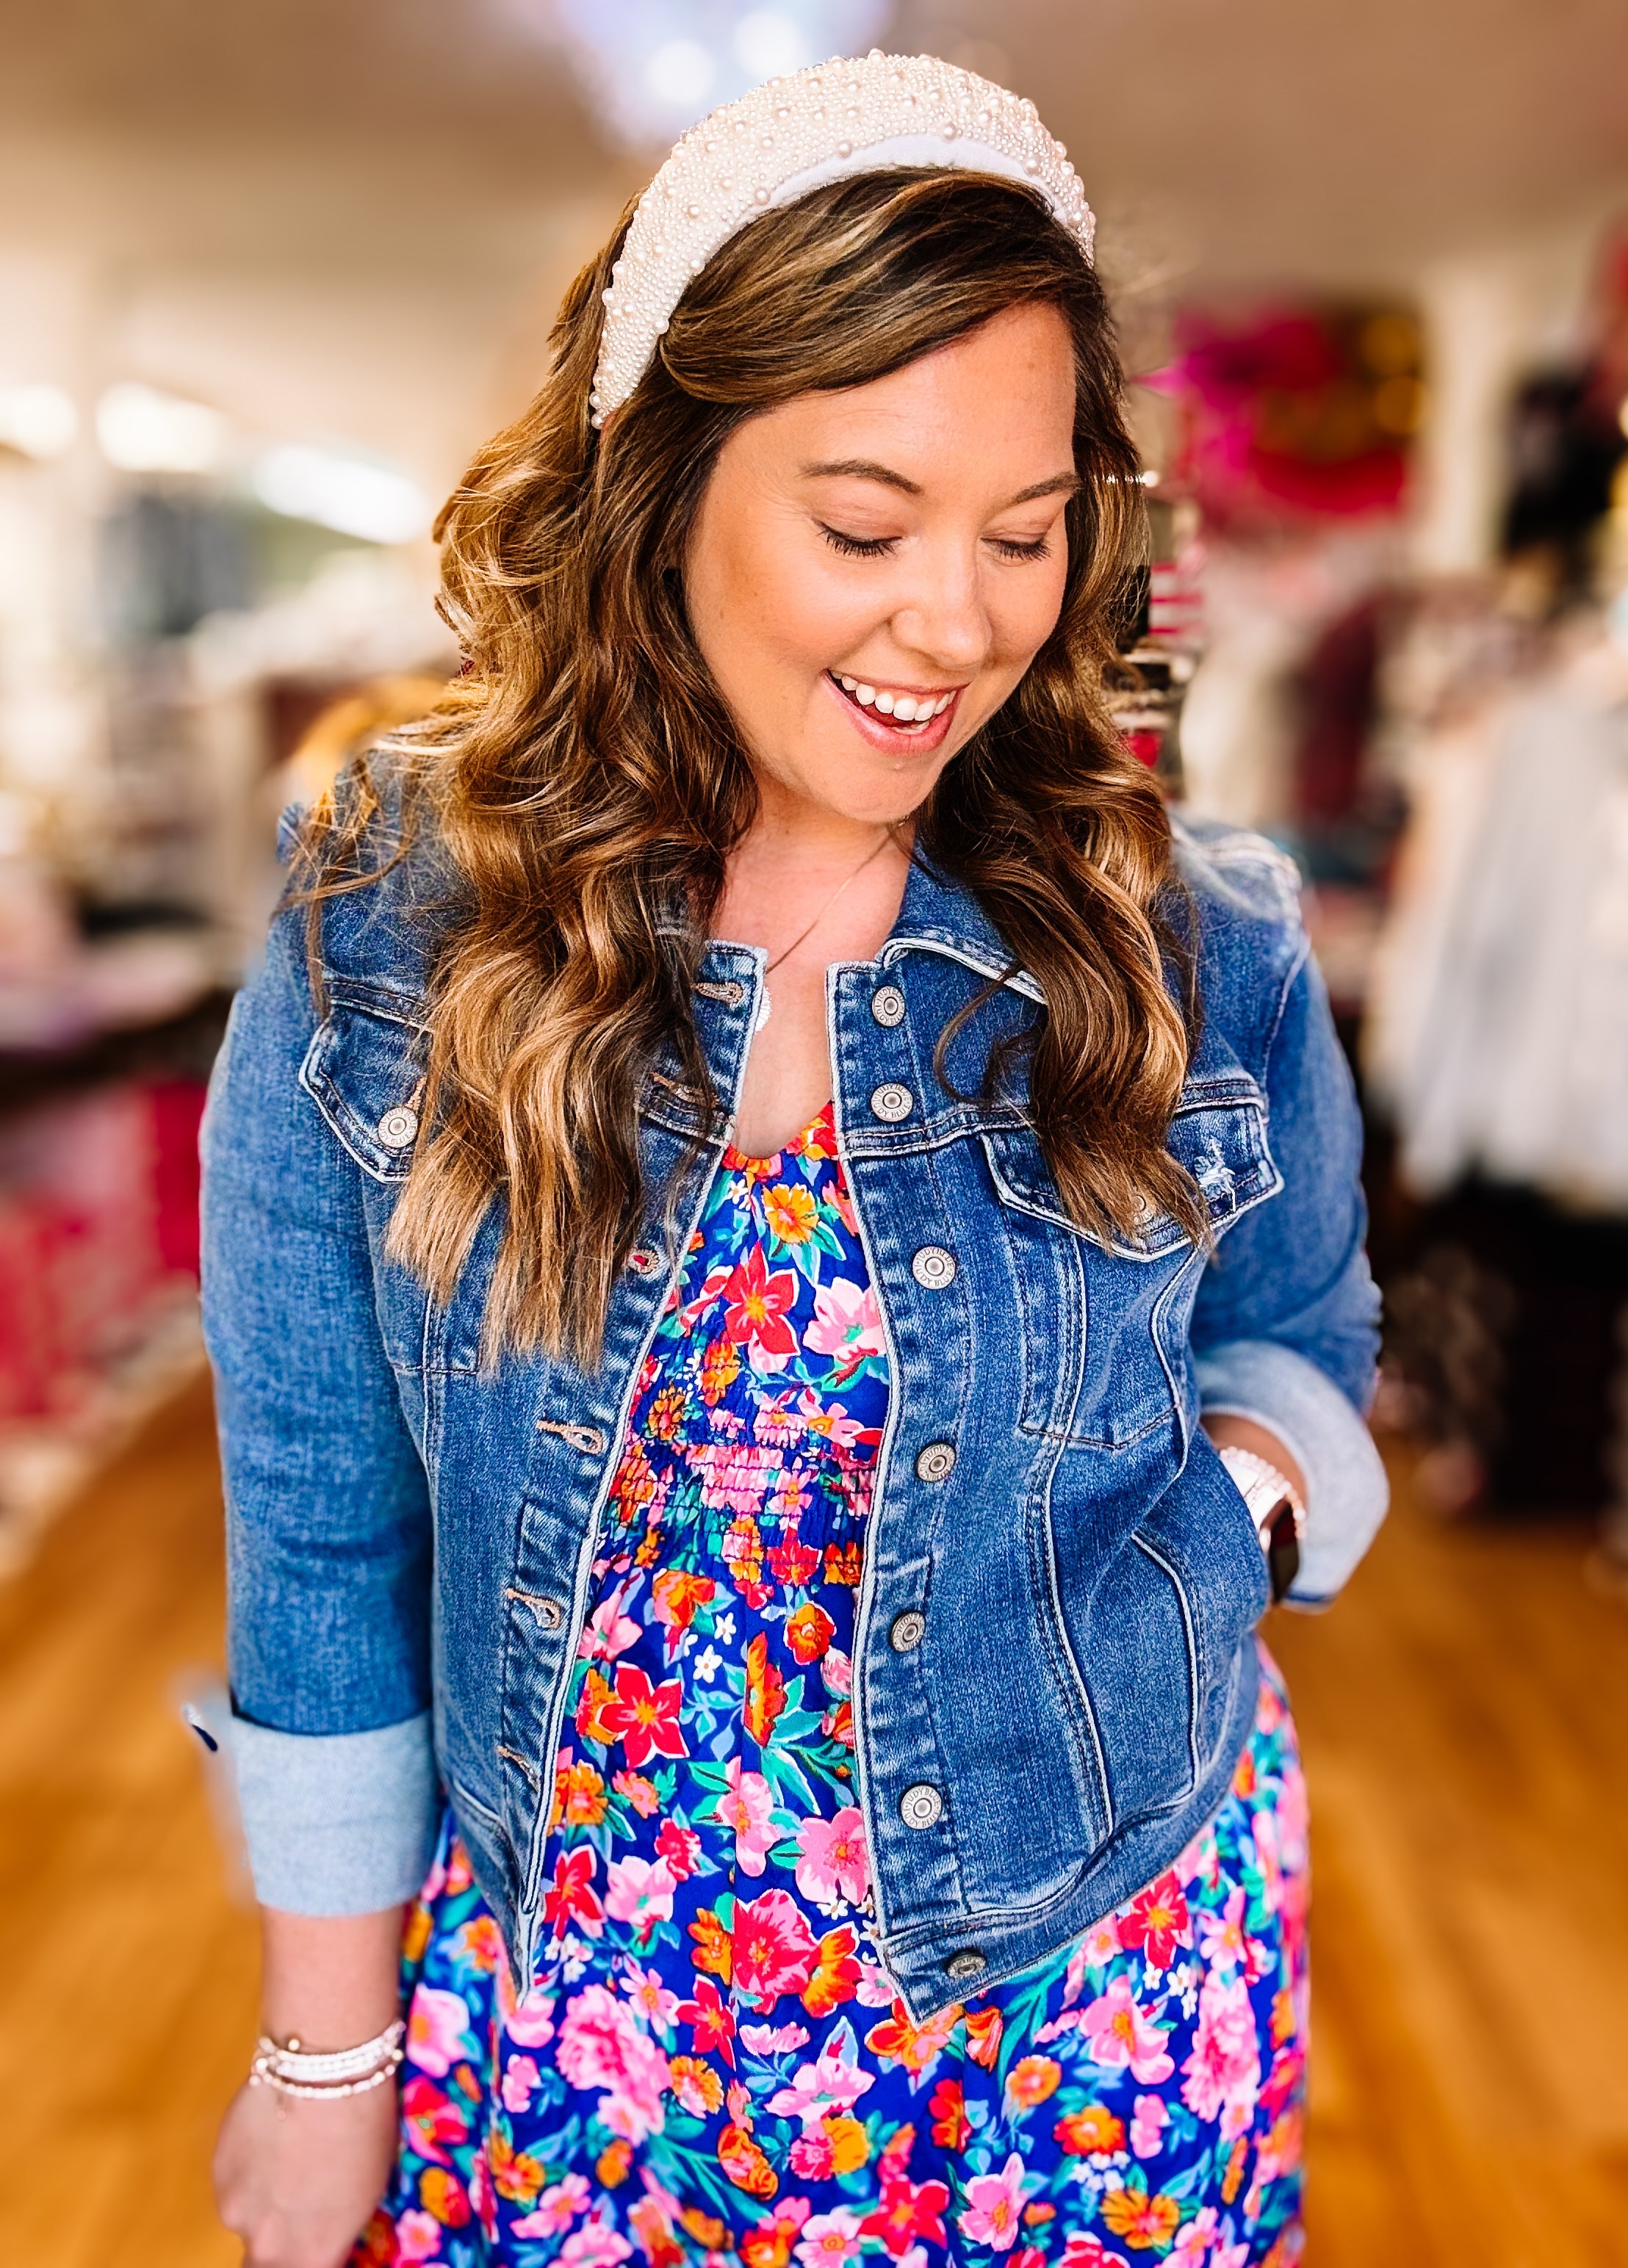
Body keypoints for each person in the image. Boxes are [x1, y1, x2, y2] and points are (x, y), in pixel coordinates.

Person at [201, 51, 1385, 2268]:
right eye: (863, 525)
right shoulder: (390, 923)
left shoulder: (1194, 938)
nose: (956, 622)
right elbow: (316, 1535)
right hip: (570, 2038)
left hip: (1092, 2009)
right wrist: (322, 2059)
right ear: (657, 490)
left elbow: (1303, 1331)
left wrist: (1223, 1510)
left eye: (1025, 533)